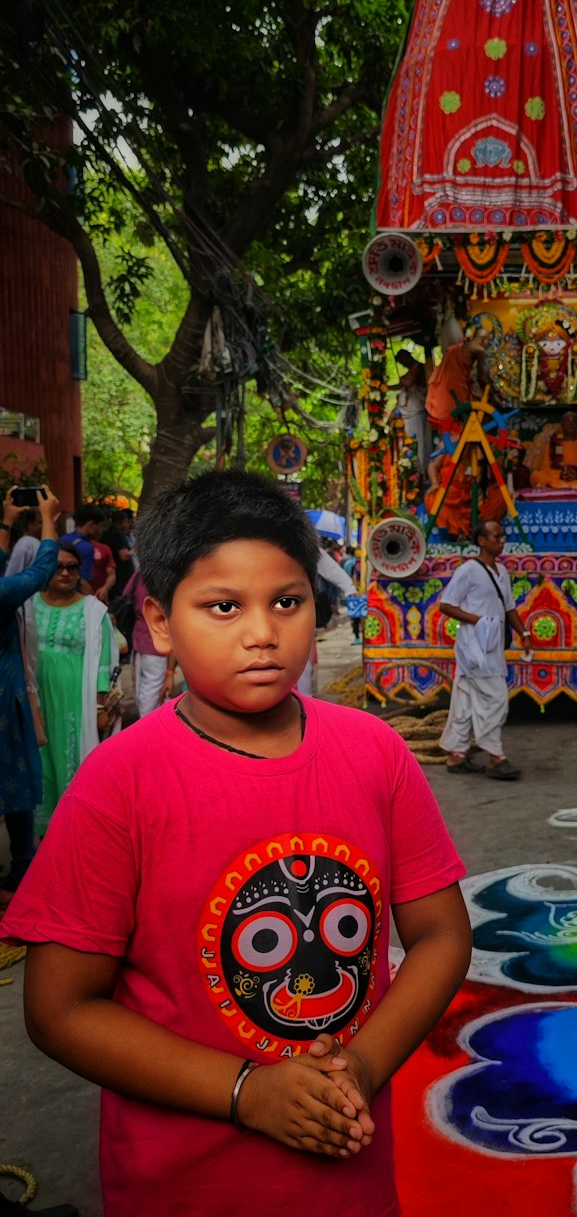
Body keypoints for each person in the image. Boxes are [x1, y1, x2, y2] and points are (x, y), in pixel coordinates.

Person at [2, 469, 471, 1217]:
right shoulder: (118, 783)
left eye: (286, 602)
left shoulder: (375, 753)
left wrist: (361, 1066)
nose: (262, 633)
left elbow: (443, 933)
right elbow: (60, 1010)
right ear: (157, 621)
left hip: (349, 1169)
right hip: (183, 1183)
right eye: (223, 607)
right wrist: (246, 1091)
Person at [24, 539, 113, 829]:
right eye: (57, 566)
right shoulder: (28, 605)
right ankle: (39, 831)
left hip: (75, 696)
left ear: (80, 570)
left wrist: (101, 707)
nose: (64, 573)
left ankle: (69, 827)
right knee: (40, 759)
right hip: (35, 695)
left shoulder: (92, 610)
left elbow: (103, 662)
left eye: (72, 567)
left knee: (70, 756)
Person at [1, 486, 61, 909]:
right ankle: (22, 868)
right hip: (4, 697)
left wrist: (6, 522)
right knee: (14, 780)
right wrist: (49, 519)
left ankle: (21, 867)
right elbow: (41, 571)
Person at [439, 519, 532, 780]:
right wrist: (477, 620)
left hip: (492, 645)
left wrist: (523, 633)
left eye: (502, 537)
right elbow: (445, 605)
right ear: (481, 541)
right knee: (495, 699)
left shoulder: (501, 571)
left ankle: (456, 755)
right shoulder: (468, 570)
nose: (501, 541)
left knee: (465, 700)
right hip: (474, 647)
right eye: (496, 536)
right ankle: (495, 756)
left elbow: (509, 607)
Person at [122, 568, 177, 717]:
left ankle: (148, 723)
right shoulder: (163, 575)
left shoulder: (139, 574)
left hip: (140, 638)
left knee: (142, 687)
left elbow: (126, 594)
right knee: (152, 690)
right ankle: (148, 727)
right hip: (156, 642)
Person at [425, 335, 487, 440]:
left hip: (447, 388)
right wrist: (486, 392)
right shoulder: (477, 348)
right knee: (456, 415)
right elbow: (482, 376)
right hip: (454, 390)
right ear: (483, 339)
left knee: (450, 423)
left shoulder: (459, 348)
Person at [529, 411, 577, 489]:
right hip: (557, 478)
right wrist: (560, 474)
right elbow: (545, 468)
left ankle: (561, 487)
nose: (570, 424)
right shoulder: (553, 442)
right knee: (535, 475)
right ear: (561, 424)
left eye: (573, 421)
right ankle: (572, 487)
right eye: (567, 421)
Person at [392, 347, 431, 471]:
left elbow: (407, 383)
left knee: (420, 445)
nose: (402, 364)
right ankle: (415, 470)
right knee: (410, 445)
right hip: (408, 416)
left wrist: (388, 386)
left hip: (417, 414)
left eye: (402, 361)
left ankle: (421, 471)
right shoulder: (410, 371)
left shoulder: (418, 368)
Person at [61, 502, 108, 590]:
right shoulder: (86, 547)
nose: (100, 531)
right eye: (100, 526)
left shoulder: (60, 540)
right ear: (91, 524)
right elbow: (83, 582)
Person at [2, 504, 42, 576]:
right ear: (30, 524)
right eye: (40, 522)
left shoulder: (40, 543)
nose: (44, 526)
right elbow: (12, 575)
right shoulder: (26, 544)